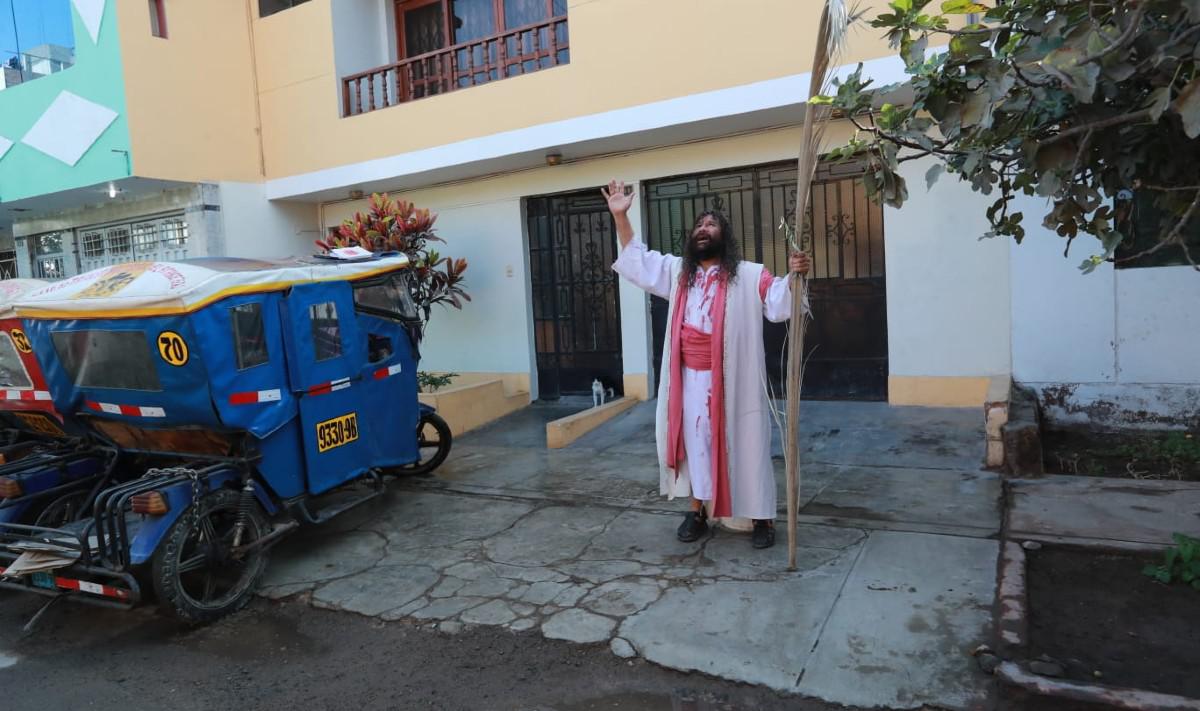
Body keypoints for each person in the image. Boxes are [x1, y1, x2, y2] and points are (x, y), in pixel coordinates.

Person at [604, 179, 812, 549]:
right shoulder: (677, 274)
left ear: (724, 237)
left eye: (712, 225)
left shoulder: (749, 274)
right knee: (696, 444)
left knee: (748, 443)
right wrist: (621, 216)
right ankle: (698, 510)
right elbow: (637, 260)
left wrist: (796, 275)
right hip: (690, 381)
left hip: (737, 381)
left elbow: (780, 303)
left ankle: (761, 518)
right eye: (699, 225)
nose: (704, 229)